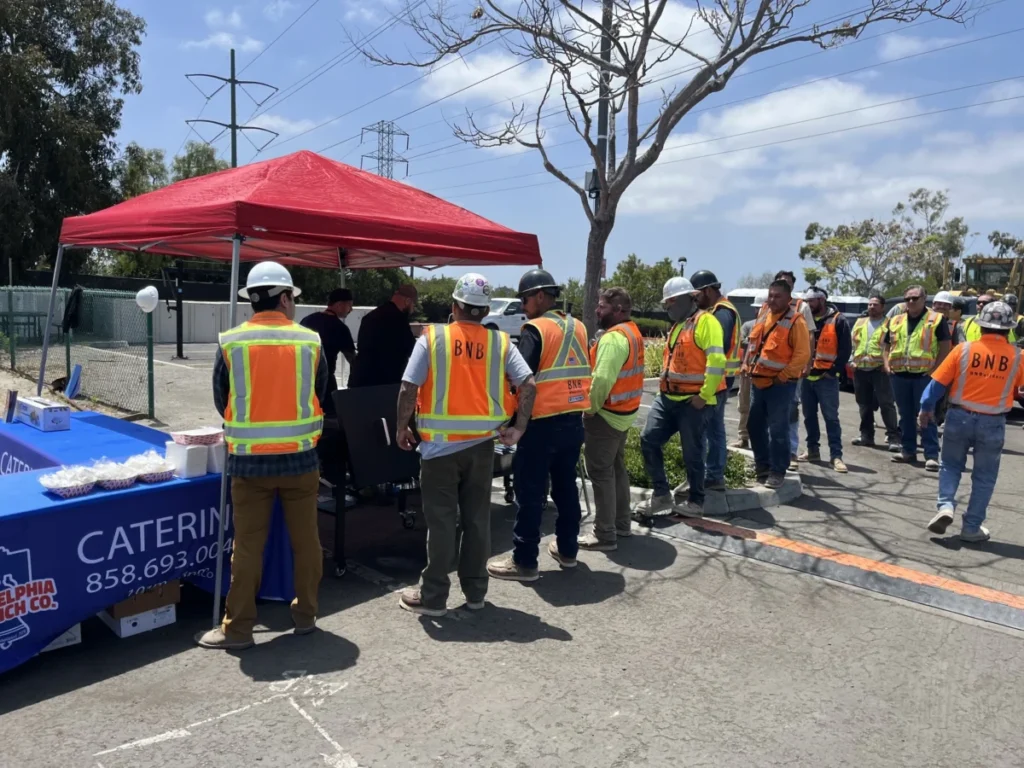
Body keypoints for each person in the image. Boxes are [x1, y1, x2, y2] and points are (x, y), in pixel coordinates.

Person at [198, 261, 328, 650]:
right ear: (285, 297)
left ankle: (238, 629)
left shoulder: (231, 342)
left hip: (249, 464)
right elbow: (320, 395)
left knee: (248, 546)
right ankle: (306, 616)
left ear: (252, 300)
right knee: (306, 542)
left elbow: (223, 401)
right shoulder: (311, 342)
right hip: (301, 461)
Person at [395, 274, 536, 615]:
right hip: (482, 447)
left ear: (455, 306)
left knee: (442, 522)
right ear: (486, 309)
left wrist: (402, 427)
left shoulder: (433, 338)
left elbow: (408, 387)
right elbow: (528, 385)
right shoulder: (501, 342)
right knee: (476, 520)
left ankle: (433, 598)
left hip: (439, 450)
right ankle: (475, 594)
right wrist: (518, 428)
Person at [488, 269, 591, 582]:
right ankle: (568, 551)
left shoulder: (536, 329)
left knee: (531, 493)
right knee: (565, 490)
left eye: (526, 298)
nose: (523, 304)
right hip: (573, 421)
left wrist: (509, 418)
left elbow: (522, 378)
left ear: (542, 296)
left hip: (542, 424)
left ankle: (525, 562)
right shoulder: (579, 326)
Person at [921, 301, 1024, 543]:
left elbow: (935, 387)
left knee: (950, 466)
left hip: (958, 417)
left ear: (982, 326)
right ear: (1008, 329)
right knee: (984, 477)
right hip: (993, 422)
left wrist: (926, 409)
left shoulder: (963, 350)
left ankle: (945, 506)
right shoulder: (1018, 356)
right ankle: (971, 527)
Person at [634, 276, 726, 518]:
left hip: (692, 402)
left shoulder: (706, 322)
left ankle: (697, 501)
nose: (668, 308)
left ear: (689, 298)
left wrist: (704, 396)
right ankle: (662, 494)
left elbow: (717, 362)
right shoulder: (677, 326)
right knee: (649, 440)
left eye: (671, 302)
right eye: (667, 303)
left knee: (692, 453)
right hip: (667, 399)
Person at [577, 288, 645, 552]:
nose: (597, 310)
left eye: (602, 306)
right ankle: (621, 524)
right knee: (615, 468)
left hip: (606, 415)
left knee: (600, 472)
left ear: (617, 310)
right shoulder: (633, 332)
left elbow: (602, 380)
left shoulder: (614, 339)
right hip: (624, 414)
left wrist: (589, 409)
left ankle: (605, 534)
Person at [743, 279, 811, 489]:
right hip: (758, 382)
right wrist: (746, 364)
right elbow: (754, 345)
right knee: (754, 426)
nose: (772, 299)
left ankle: (777, 471)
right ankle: (762, 465)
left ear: (788, 298)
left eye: (777, 296)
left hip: (780, 385)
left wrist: (784, 375)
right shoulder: (764, 315)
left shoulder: (796, 321)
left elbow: (803, 354)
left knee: (778, 429)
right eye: (770, 295)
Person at [882, 285, 951, 470]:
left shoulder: (936, 319)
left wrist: (935, 371)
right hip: (899, 376)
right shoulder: (895, 320)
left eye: (915, 298)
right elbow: (887, 345)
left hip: (924, 376)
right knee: (905, 416)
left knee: (926, 415)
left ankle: (931, 455)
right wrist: (887, 365)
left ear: (924, 298)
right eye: (908, 299)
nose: (911, 302)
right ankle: (908, 450)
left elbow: (945, 347)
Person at [691, 270, 741, 491]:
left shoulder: (721, 314)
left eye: (696, 295)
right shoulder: (717, 310)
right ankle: (714, 475)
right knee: (714, 428)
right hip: (720, 379)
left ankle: (712, 475)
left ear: (708, 291)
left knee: (709, 430)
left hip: (717, 380)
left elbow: (714, 349)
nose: (694, 299)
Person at [761, 271, 815, 471]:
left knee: (790, 412)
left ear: (792, 287)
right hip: (765, 376)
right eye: (780, 281)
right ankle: (770, 455)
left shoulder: (802, 307)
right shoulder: (767, 308)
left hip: (789, 374)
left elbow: (809, 337)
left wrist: (806, 364)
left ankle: (791, 452)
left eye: (788, 282)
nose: (784, 284)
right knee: (767, 416)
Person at [798, 287, 851, 473]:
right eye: (806, 301)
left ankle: (836, 456)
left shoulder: (838, 320)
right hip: (806, 377)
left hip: (826, 379)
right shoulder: (803, 320)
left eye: (811, 301)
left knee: (831, 418)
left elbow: (845, 350)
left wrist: (833, 371)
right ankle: (812, 450)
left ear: (821, 300)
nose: (807, 304)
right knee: (809, 417)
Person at [850, 292, 900, 450]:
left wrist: (887, 364)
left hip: (880, 370)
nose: (871, 307)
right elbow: (853, 343)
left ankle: (893, 437)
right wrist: (852, 361)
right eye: (870, 304)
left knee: (886, 404)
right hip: (860, 368)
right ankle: (866, 435)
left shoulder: (890, 324)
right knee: (864, 404)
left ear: (883, 307)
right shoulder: (860, 322)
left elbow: (894, 346)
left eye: (875, 304)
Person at [348, 283, 418, 388]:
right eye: (414, 305)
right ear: (407, 301)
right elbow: (413, 351)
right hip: (384, 385)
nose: (413, 309)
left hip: (360, 381)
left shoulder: (370, 317)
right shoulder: (398, 320)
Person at [300, 288, 356, 414]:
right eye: (349, 305)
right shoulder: (340, 328)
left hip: (304, 382)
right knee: (329, 422)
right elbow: (353, 360)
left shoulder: (307, 320)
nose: (351, 310)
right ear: (339, 305)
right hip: (326, 385)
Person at [730, 290, 767, 451]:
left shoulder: (773, 327)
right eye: (756, 308)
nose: (758, 311)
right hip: (747, 372)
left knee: (763, 410)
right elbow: (742, 341)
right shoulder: (748, 325)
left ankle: (762, 441)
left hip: (765, 373)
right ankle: (743, 437)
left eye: (760, 307)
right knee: (744, 405)